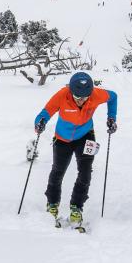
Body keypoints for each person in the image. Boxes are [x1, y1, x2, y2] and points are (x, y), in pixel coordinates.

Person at [34, 72, 118, 224]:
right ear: (71, 91)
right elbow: (46, 111)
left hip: (86, 135)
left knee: (85, 173)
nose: (81, 101)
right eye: (77, 97)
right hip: (62, 138)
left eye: (85, 98)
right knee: (58, 171)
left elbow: (113, 97)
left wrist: (111, 118)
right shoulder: (62, 95)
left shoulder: (96, 94)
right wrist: (40, 123)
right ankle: (52, 204)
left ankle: (76, 207)